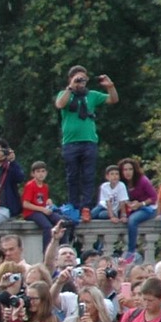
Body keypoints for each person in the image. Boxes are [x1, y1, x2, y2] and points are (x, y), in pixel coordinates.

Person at [55, 67, 119, 215]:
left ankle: (86, 207)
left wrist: (110, 87)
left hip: (89, 141)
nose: (81, 82)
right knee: (72, 176)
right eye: (78, 79)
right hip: (70, 142)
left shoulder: (91, 95)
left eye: (83, 79)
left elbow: (113, 99)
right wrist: (71, 87)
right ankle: (73, 205)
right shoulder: (65, 94)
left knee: (88, 175)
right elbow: (59, 104)